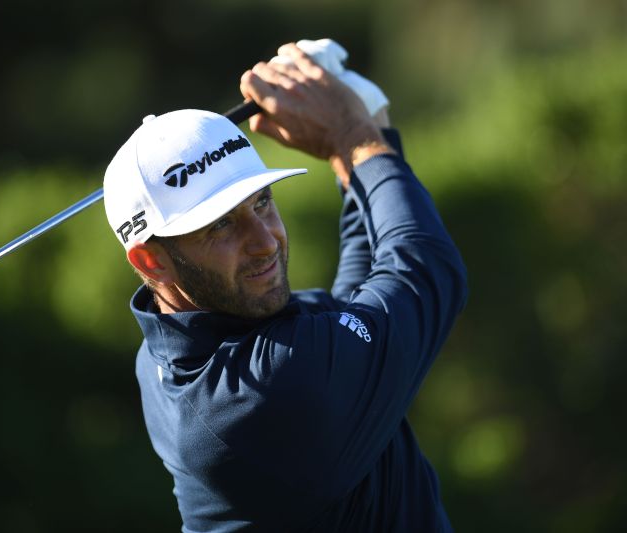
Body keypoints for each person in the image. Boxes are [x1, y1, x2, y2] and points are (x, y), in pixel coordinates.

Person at [103, 42, 468, 532]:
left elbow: (353, 302)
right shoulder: (260, 394)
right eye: (220, 225)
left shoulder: (176, 348)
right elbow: (425, 271)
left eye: (262, 202)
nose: (264, 241)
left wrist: (360, 137)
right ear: (151, 260)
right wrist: (352, 131)